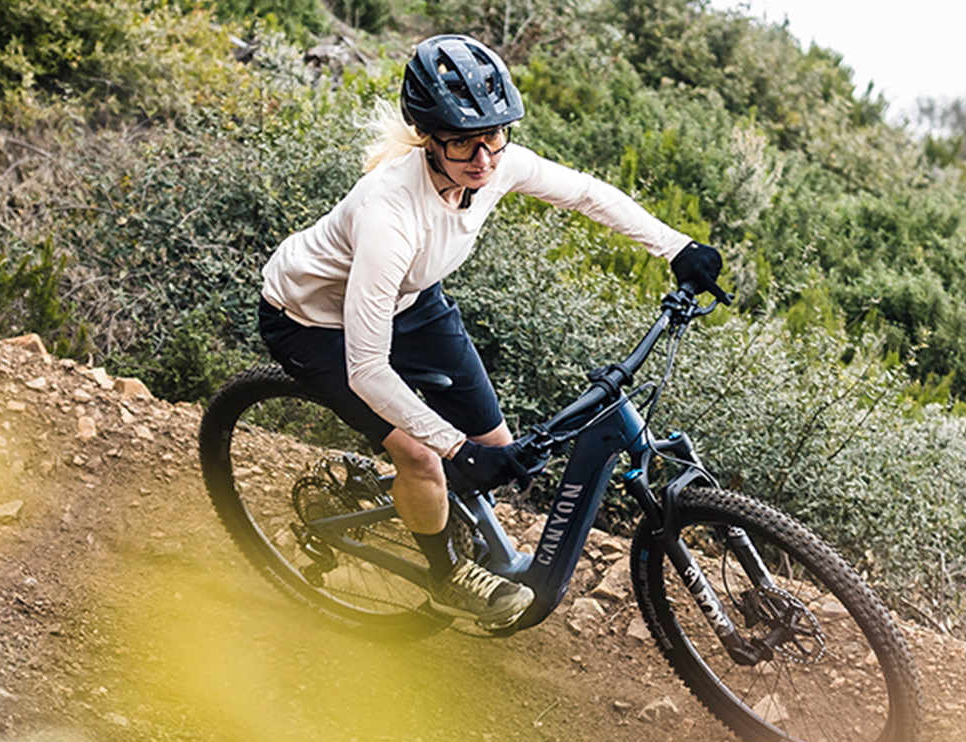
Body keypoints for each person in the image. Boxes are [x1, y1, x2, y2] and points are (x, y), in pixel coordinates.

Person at [259, 34, 726, 630]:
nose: (483, 159)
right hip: (310, 321)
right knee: (425, 457)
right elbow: (368, 370)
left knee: (499, 448)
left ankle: (445, 518)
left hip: (411, 301)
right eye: (462, 143)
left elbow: (584, 192)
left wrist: (677, 247)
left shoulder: (495, 165)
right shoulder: (389, 214)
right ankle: (445, 575)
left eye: (494, 137)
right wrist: (453, 448)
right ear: (429, 139)